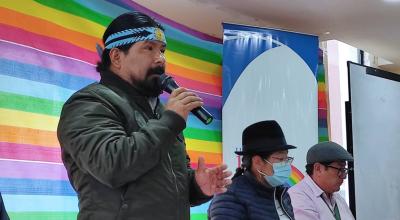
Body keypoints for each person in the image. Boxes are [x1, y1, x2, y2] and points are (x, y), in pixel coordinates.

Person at [57, 12, 231, 220]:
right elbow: (112, 167)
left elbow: (162, 185)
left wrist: (197, 186)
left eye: (162, 50)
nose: (160, 59)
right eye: (148, 48)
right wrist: (169, 122)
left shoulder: (160, 112)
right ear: (116, 57)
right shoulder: (89, 102)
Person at [208, 120, 296, 220]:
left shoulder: (281, 193)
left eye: (287, 158)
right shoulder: (230, 197)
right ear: (257, 162)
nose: (286, 164)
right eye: (280, 159)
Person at [288, 141, 355, 220]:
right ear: (318, 168)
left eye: (344, 170)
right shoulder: (298, 196)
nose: (344, 176)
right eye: (340, 169)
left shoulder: (338, 198)